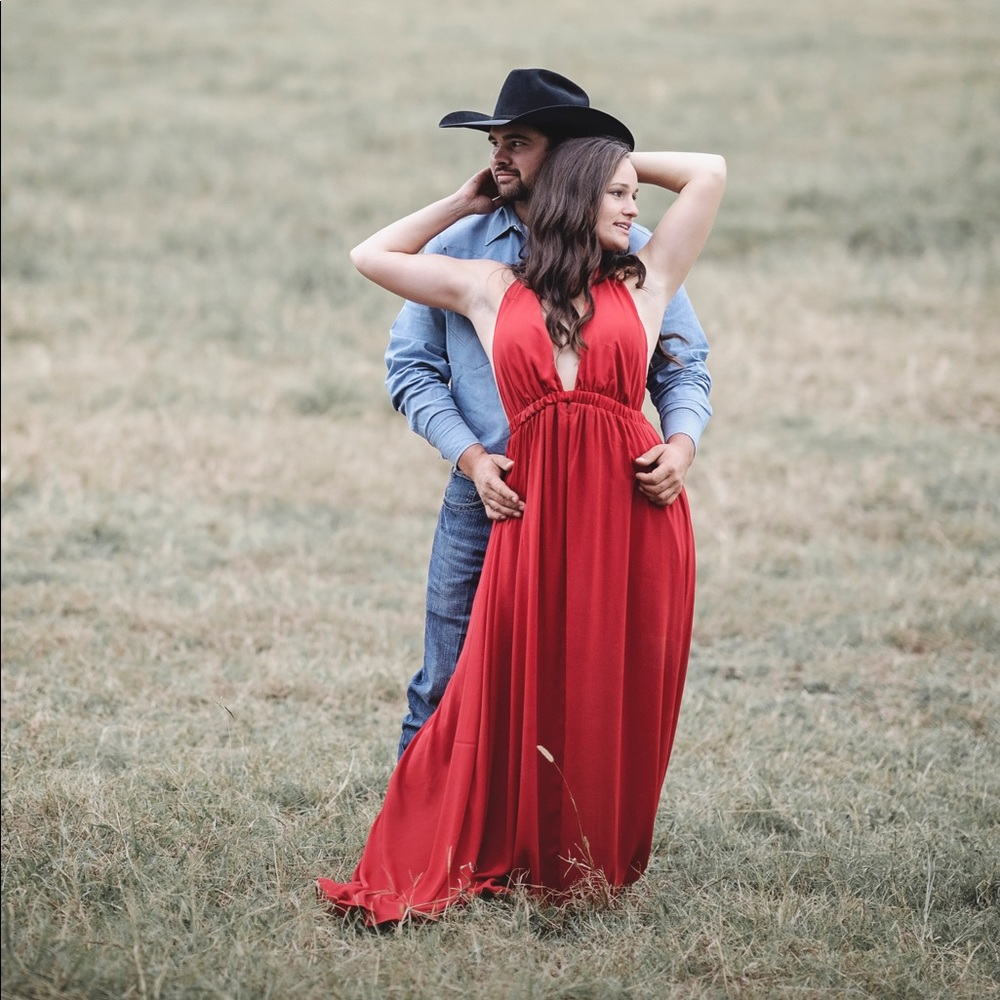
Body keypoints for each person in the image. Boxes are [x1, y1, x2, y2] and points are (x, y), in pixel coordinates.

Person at [317, 129, 726, 925]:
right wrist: (465, 200)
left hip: (633, 516)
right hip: (527, 513)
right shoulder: (486, 284)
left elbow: (709, 172)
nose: (632, 207)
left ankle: (579, 863)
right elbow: (371, 254)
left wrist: (605, 162)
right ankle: (453, 835)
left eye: (633, 193)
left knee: (608, 689)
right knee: (485, 680)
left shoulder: (647, 281)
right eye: (615, 195)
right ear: (577, 195)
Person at [389, 69, 714, 758]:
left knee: (575, 686)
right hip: (491, 496)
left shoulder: (631, 249)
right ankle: (416, 846)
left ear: (565, 154)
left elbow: (681, 365)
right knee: (446, 678)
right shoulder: (462, 253)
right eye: (494, 141)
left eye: (520, 142)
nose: (498, 156)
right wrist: (472, 460)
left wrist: (682, 445)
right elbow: (412, 372)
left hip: (601, 499)